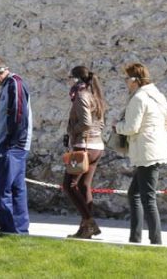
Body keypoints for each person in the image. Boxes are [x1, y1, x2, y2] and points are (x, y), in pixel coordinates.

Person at [115, 63, 167, 244]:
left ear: (134, 80)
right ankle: (135, 237)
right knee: (134, 193)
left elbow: (131, 128)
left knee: (147, 198)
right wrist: (155, 131)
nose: (126, 82)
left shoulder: (139, 98)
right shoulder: (156, 94)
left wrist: (117, 127)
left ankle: (155, 240)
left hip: (147, 152)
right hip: (153, 149)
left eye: (127, 78)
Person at [0, 56, 32, 234]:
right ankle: (19, 228)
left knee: (2, 186)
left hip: (13, 145)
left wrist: (11, 141)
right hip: (13, 145)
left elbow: (19, 114)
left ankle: (9, 227)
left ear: (0, 70)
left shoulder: (14, 84)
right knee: (16, 188)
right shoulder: (8, 86)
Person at [62, 66, 106, 239]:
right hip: (97, 146)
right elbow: (100, 123)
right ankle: (84, 229)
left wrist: (72, 130)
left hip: (84, 147)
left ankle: (89, 221)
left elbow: (86, 123)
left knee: (69, 185)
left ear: (76, 79)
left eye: (70, 78)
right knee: (83, 186)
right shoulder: (96, 96)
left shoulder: (81, 96)